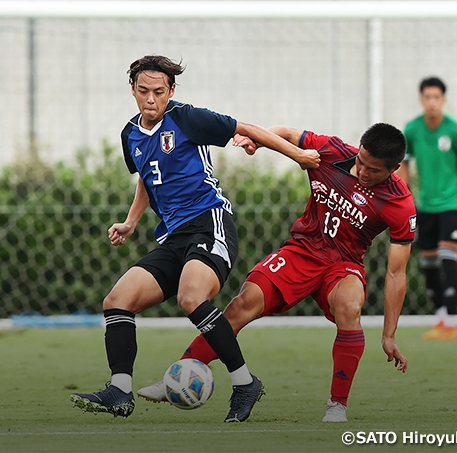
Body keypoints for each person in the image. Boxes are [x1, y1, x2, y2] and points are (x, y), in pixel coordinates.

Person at [70, 55, 320, 423]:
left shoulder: (187, 118)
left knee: (191, 297)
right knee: (117, 300)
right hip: (173, 238)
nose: (151, 99)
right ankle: (120, 391)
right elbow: (146, 176)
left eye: (159, 91)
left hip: (210, 224)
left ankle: (245, 382)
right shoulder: (130, 134)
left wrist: (297, 154)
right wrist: (130, 222)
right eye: (143, 91)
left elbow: (246, 127)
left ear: (171, 91)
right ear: (133, 91)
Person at [137, 123, 416, 423]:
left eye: (373, 170)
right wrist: (256, 140)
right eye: (361, 161)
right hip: (301, 252)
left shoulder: (400, 203)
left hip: (343, 264)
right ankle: (177, 377)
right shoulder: (332, 151)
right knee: (243, 304)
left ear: (394, 168)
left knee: (350, 306)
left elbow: (396, 274)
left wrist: (389, 335)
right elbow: (285, 133)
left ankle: (337, 406)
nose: (362, 171)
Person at [398, 77, 457, 341]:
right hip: (425, 206)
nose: (432, 102)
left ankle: (451, 322)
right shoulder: (412, 130)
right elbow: (404, 163)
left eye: (436, 97)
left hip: (454, 205)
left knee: (448, 256)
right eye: (427, 97)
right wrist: (405, 197)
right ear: (421, 100)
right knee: (428, 262)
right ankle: (441, 318)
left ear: (443, 100)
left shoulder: (456, 130)